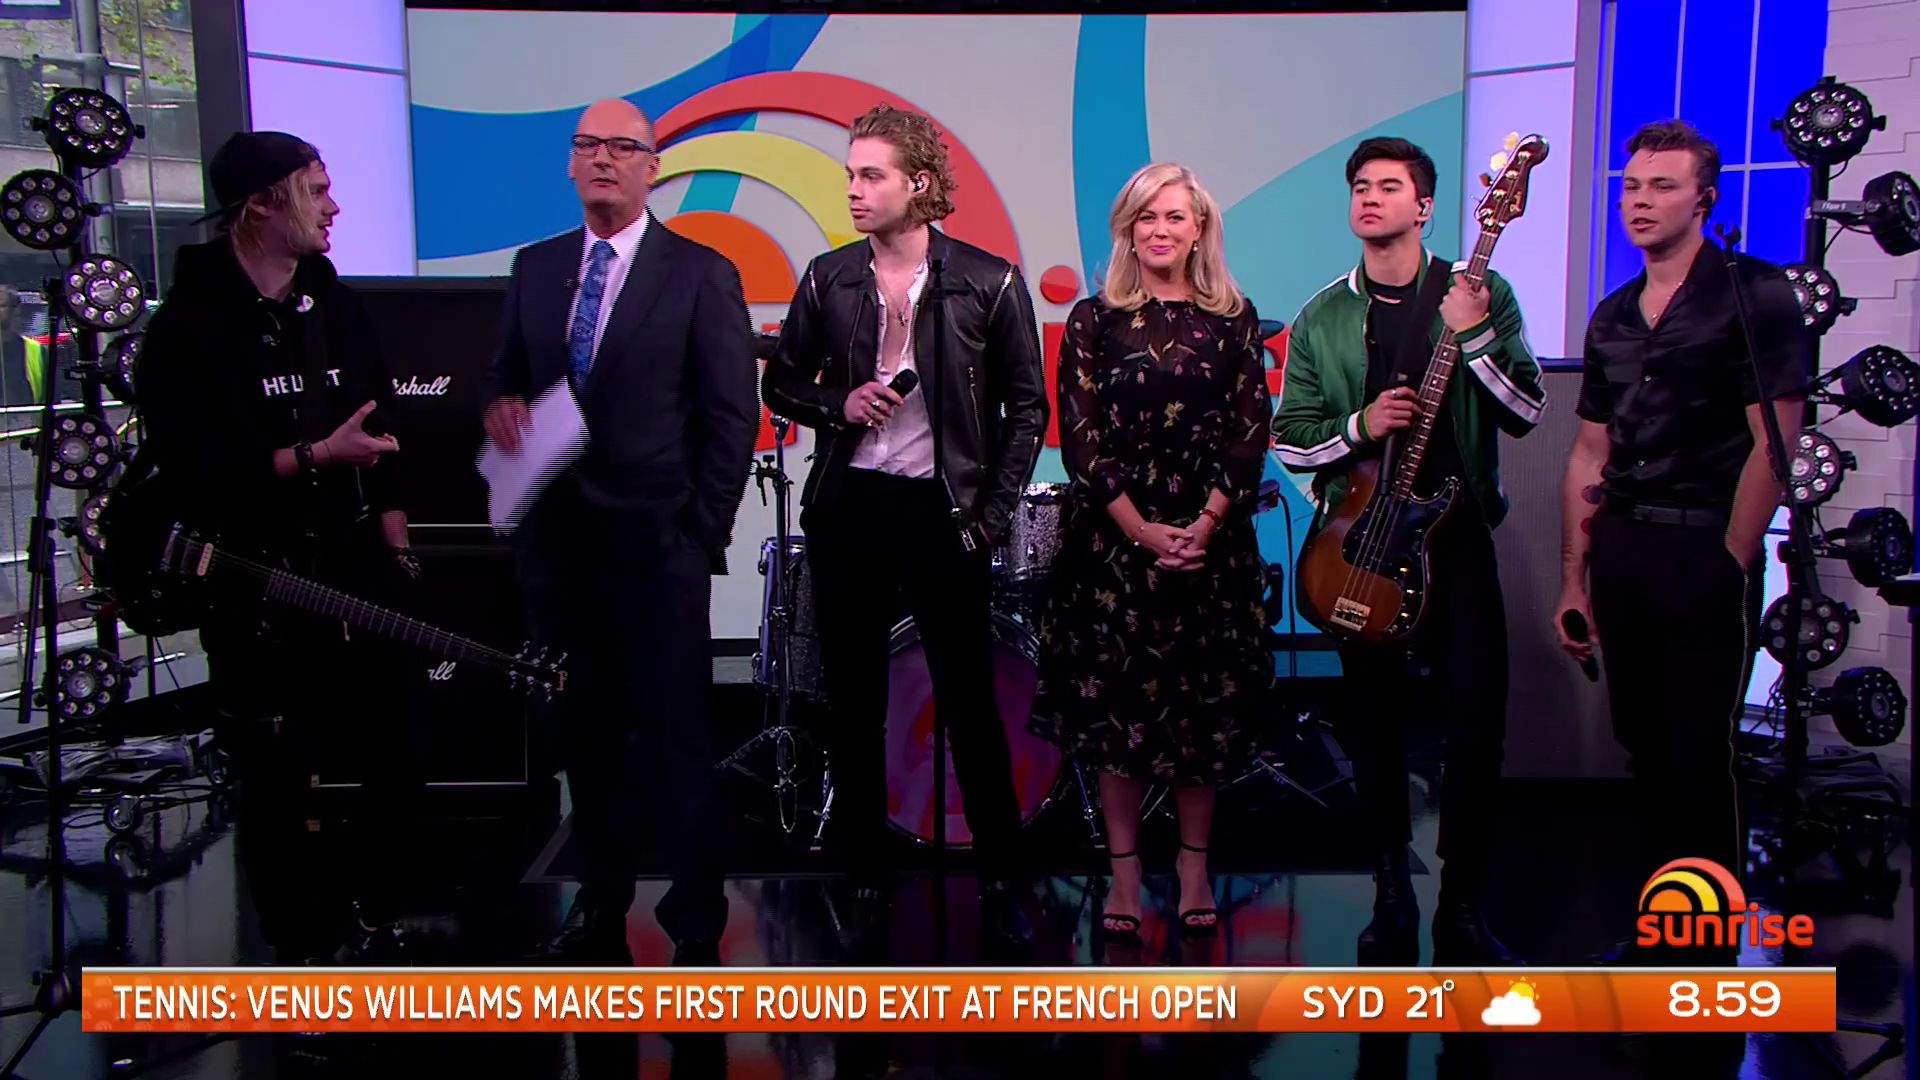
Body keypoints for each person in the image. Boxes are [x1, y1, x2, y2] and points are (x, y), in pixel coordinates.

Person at [761, 104, 1048, 948]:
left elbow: (1027, 409)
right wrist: (835, 402)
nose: (853, 189)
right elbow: (781, 384)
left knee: (969, 700)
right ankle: (863, 872)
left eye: (870, 175)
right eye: (850, 174)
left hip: (945, 512)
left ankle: (1004, 872)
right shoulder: (829, 277)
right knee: (853, 703)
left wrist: (991, 519)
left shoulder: (988, 281)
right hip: (851, 506)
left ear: (918, 184)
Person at [484, 99, 759, 965]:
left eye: (621, 147)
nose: (603, 158)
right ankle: (599, 903)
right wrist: (499, 407)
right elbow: (505, 377)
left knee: (677, 739)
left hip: (658, 550)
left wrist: (699, 533)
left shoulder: (699, 273)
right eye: (588, 145)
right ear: (572, 163)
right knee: (583, 737)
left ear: (652, 166)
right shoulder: (536, 268)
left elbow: (731, 418)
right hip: (558, 553)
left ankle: (695, 920)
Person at [136, 131, 421, 962]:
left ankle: (376, 918)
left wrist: (396, 536)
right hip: (252, 584)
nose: (334, 207)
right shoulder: (186, 328)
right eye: (316, 190)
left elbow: (379, 423)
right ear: (260, 204)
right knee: (276, 777)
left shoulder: (336, 307)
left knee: (397, 750)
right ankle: (296, 958)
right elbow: (193, 473)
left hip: (355, 568)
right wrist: (314, 457)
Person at [1272, 137, 1544, 965]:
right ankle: (1390, 888)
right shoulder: (1323, 315)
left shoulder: (1479, 291)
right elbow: (1291, 437)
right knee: (1374, 727)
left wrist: (1476, 335)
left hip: (1456, 541)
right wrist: (1361, 426)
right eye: (1360, 186)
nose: (1370, 197)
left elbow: (1526, 411)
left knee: (1476, 725)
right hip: (1362, 543)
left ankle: (1462, 902)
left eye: (1389, 186)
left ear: (1424, 206)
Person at [1557, 120, 1806, 960]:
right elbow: (1589, 452)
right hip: (1624, 547)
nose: (1640, 201)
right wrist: (1574, 579)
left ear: (1704, 198)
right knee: (1645, 751)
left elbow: (1776, 443)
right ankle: (1662, 931)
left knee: (1699, 755)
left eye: (1661, 186)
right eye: (1631, 187)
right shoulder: (1613, 316)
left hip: (1705, 546)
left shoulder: (1754, 293)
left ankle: (1705, 950)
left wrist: (1732, 557)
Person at [1032, 163, 1272, 940]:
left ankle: (1195, 868)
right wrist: (1140, 530)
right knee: (1119, 722)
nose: (1160, 229)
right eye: (1146, 217)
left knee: (1203, 719)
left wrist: (1205, 525)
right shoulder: (1093, 321)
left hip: (1212, 547)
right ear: (1128, 231)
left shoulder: (1235, 320)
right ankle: (1126, 876)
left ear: (1199, 230)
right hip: (1113, 551)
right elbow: (1081, 439)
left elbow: (1250, 433)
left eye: (1174, 216)